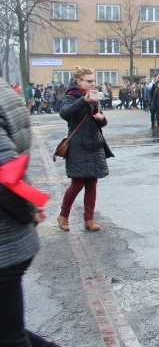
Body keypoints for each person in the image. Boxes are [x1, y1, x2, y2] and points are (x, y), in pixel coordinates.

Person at [0, 79, 62, 347]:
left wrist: (29, 208)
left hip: (6, 244)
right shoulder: (3, 88)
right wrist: (34, 201)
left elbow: (6, 173)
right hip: (11, 238)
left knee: (10, 338)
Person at [57, 66, 113, 232]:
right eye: (89, 81)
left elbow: (98, 120)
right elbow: (65, 114)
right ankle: (63, 215)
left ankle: (89, 219)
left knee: (92, 183)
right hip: (78, 146)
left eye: (93, 80)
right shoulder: (70, 96)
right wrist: (83, 100)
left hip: (94, 144)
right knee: (77, 183)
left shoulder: (94, 96)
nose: (92, 84)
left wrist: (102, 119)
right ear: (78, 81)